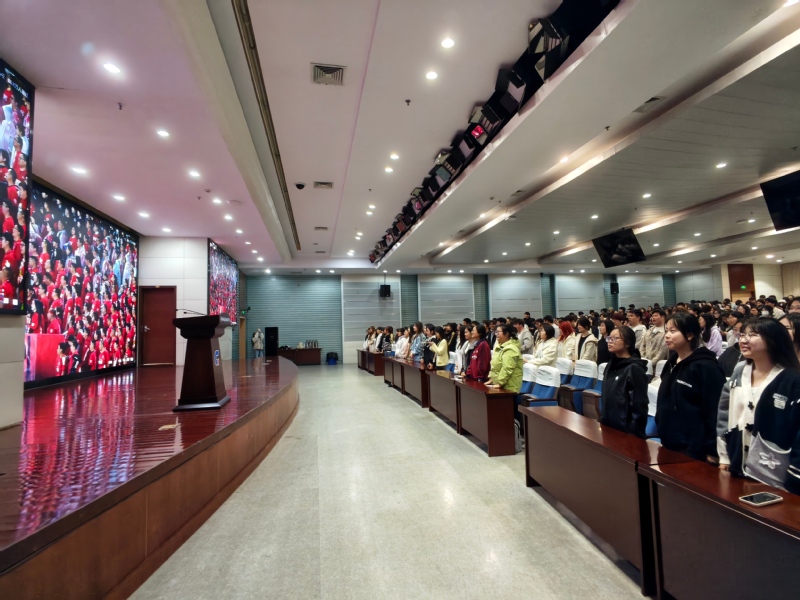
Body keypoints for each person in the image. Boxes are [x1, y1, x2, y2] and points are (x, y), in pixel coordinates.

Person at [717, 318, 800, 494]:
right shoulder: (740, 370)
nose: (744, 339)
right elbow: (724, 412)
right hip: (737, 463)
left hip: (775, 474)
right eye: (743, 334)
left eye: (753, 335)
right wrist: (724, 455)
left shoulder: (792, 380)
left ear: (773, 340)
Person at [656, 313, 726, 461]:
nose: (667, 335)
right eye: (666, 330)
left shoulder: (706, 367)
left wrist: (713, 449)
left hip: (694, 447)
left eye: (673, 331)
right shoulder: (671, 363)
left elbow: (715, 410)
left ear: (689, 335)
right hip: (668, 440)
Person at [600, 326, 648, 438]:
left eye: (615, 338)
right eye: (609, 338)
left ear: (627, 343)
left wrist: (633, 433)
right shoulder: (610, 365)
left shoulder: (634, 368)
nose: (610, 341)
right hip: (608, 424)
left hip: (626, 431)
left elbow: (639, 405)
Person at [487, 323, 523, 392]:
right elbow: (494, 365)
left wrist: (500, 383)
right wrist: (491, 378)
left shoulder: (511, 349)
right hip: (499, 383)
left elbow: (507, 369)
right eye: (496, 332)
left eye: (498, 332)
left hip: (509, 387)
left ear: (506, 334)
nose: (496, 334)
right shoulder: (500, 346)